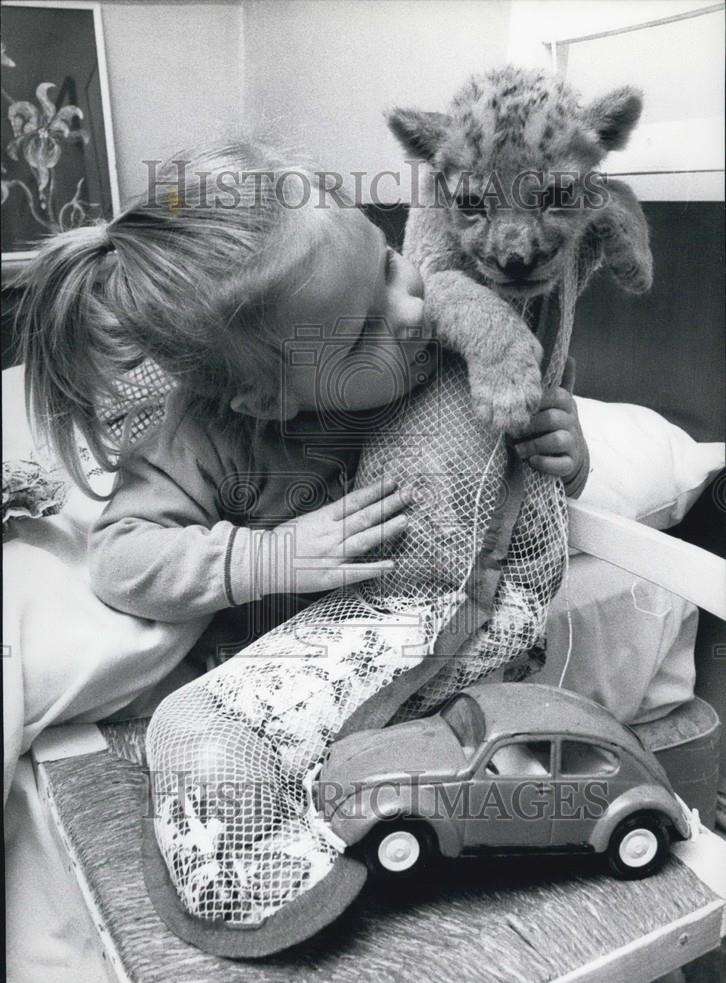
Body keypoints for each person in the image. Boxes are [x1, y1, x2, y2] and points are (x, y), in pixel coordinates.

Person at [18, 139, 588, 663]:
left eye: (388, 262)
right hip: (278, 665)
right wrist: (272, 557)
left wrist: (566, 455)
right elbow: (118, 562)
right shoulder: (203, 435)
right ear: (269, 402)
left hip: (425, 633)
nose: (413, 310)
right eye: (364, 334)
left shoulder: (440, 347)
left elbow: (507, 494)